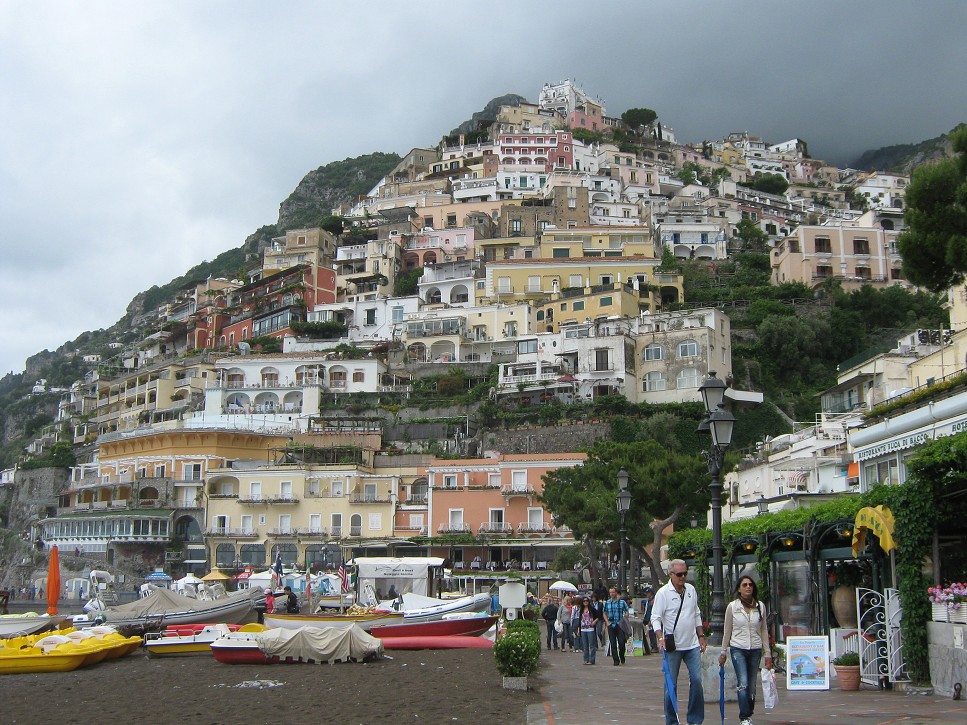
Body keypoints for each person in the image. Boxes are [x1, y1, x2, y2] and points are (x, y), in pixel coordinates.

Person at [652, 559, 707, 725]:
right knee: (671, 685)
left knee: (697, 681)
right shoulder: (663, 593)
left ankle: (695, 719)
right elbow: (656, 618)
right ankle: (672, 721)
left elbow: (696, 613)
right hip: (672, 645)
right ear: (671, 574)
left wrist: (701, 636)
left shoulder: (691, 590)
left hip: (691, 644)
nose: (683, 577)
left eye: (685, 573)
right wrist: (660, 638)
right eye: (679, 574)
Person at [719, 575, 773, 725]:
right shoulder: (733, 607)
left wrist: (767, 653)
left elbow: (763, 630)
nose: (748, 587)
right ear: (739, 589)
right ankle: (744, 717)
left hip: (755, 648)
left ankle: (749, 713)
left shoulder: (760, 606)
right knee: (743, 682)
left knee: (751, 684)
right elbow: (727, 630)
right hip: (738, 648)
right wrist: (723, 652)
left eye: (750, 584)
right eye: (744, 585)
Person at [602, 586, 630, 665]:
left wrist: (626, 616)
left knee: (621, 643)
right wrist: (607, 622)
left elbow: (627, 611)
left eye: (613, 592)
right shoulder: (607, 603)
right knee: (613, 643)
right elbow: (604, 613)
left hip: (620, 625)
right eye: (610, 592)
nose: (611, 594)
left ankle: (621, 655)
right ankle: (616, 660)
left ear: (616, 593)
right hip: (611, 624)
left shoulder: (622, 602)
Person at [577, 596, 601, 665]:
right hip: (583, 629)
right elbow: (579, 620)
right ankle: (586, 659)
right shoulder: (581, 610)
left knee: (592, 645)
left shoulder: (592, 609)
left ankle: (592, 660)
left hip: (590, 629)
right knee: (585, 645)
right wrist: (578, 630)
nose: (585, 602)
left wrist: (595, 621)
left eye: (586, 601)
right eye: (584, 601)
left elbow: (599, 615)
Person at [642, 586, 658, 654]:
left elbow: (651, 611)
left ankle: (654, 647)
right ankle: (653, 646)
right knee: (650, 633)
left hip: (651, 619)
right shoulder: (649, 601)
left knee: (652, 633)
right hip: (648, 619)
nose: (646, 594)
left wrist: (650, 620)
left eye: (647, 593)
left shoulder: (652, 601)